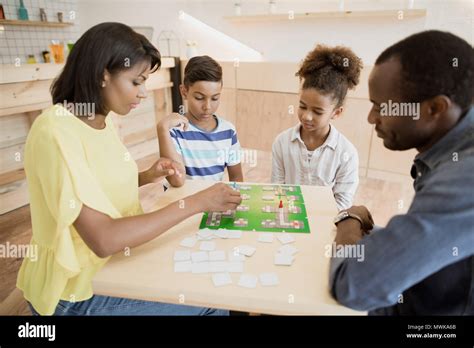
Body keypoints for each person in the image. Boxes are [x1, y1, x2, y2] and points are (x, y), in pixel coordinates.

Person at [17, 22, 241, 316]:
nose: (143, 92)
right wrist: (197, 202)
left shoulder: (102, 120)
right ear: (102, 76)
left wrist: (147, 176)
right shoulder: (54, 131)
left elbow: (91, 189)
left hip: (116, 262)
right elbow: (103, 239)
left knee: (204, 269)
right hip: (74, 292)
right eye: (136, 82)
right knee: (213, 302)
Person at [330, 30, 474, 315]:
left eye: (382, 107)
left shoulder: (464, 178)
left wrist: (348, 220)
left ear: (435, 108)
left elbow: (352, 285)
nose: (372, 118)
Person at [271, 45, 362, 210]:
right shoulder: (282, 142)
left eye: (318, 111)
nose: (307, 116)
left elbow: (342, 203)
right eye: (303, 106)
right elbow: (277, 190)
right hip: (289, 219)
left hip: (325, 223)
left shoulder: (347, 153)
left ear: (336, 112)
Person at [157, 55, 244, 184]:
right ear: (184, 92)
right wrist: (162, 128)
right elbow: (175, 179)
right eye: (199, 97)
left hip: (214, 201)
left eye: (215, 98)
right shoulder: (174, 131)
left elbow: (237, 178)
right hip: (183, 202)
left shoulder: (229, 131)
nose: (207, 107)